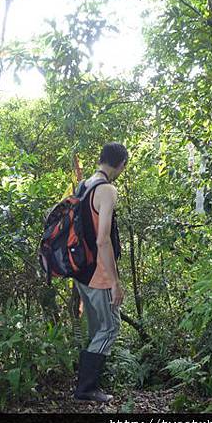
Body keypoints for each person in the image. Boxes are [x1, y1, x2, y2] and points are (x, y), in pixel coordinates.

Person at [73, 142, 128, 403]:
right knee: (110, 328)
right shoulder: (106, 189)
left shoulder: (83, 185)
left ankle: (87, 383)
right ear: (121, 165)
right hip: (99, 273)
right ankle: (86, 388)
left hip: (81, 271)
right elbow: (102, 239)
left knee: (96, 328)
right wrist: (115, 282)